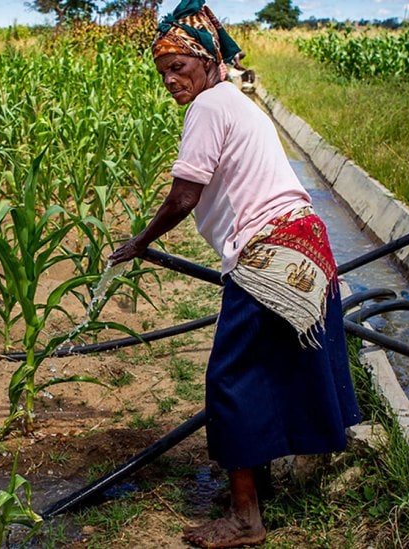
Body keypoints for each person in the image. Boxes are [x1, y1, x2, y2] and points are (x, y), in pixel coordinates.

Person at [108, 1, 362, 547]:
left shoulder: (207, 107)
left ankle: (246, 519)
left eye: (179, 67)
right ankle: (265, 483)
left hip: (269, 253)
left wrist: (140, 242)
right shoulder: (237, 102)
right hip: (306, 245)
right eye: (163, 72)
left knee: (231, 379)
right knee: (273, 371)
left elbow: (184, 193)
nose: (171, 80)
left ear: (204, 61)